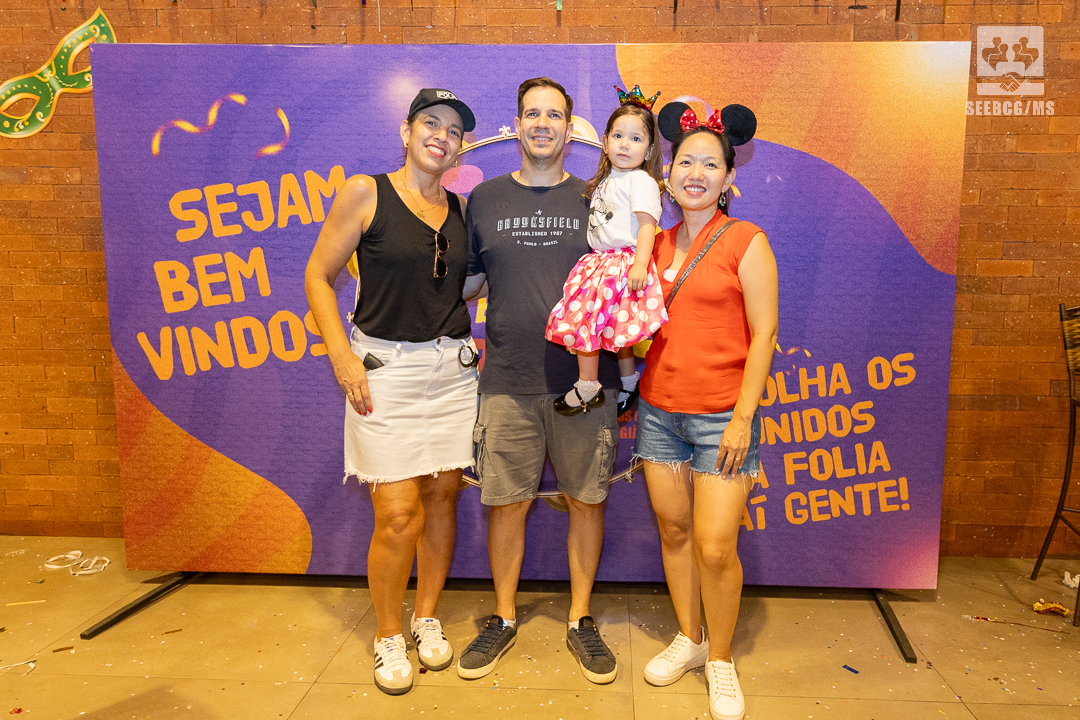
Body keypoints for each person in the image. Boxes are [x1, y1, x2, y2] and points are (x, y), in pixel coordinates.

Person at [304, 88, 479, 696]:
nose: (441, 136)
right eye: (431, 123)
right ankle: (387, 634)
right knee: (399, 514)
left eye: (453, 130)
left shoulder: (462, 209)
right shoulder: (365, 192)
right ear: (406, 131)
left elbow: (463, 284)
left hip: (453, 373)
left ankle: (425, 616)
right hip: (385, 372)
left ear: (460, 148)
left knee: (442, 499)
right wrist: (342, 356)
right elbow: (319, 275)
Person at [458, 77, 621, 684]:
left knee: (587, 499)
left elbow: (626, 277)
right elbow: (468, 283)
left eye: (555, 115)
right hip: (507, 377)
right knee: (505, 503)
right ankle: (502, 617)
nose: (543, 124)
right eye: (533, 114)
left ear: (570, 129)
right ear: (518, 124)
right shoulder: (485, 199)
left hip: (585, 382)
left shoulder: (598, 197)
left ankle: (580, 619)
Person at [635, 102, 777, 720]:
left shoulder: (748, 241)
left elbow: (765, 333)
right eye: (685, 162)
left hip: (723, 417)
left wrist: (743, 418)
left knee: (716, 547)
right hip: (658, 413)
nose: (696, 173)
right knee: (674, 532)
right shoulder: (655, 244)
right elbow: (639, 327)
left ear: (728, 177)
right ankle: (689, 639)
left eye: (709, 164)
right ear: (667, 174)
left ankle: (720, 658)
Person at [544, 85, 666, 417]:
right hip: (600, 262)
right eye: (618, 136)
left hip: (622, 263)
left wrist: (640, 265)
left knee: (587, 319)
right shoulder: (607, 180)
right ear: (605, 141)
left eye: (636, 138)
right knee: (613, 328)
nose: (625, 144)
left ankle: (588, 385)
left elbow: (647, 226)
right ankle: (628, 381)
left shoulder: (640, 181)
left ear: (649, 150)